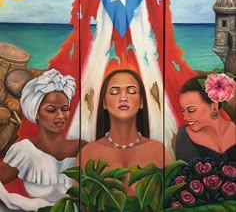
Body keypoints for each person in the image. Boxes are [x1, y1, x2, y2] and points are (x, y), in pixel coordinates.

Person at [0, 69, 87, 211]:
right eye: (52, 110)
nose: (60, 116)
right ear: (36, 114)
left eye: (65, 109)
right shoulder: (24, 151)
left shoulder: (82, 147)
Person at [81, 69, 173, 195]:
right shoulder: (88, 153)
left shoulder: (159, 152)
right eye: (114, 92)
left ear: (141, 102)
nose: (123, 98)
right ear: (104, 103)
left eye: (131, 91)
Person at [175, 73, 236, 164]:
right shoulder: (184, 135)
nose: (185, 117)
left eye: (191, 110)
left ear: (214, 106)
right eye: (183, 110)